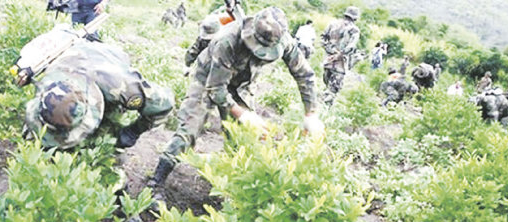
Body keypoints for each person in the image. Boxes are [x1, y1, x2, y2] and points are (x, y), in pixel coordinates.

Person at [148, 7, 323, 202]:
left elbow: (305, 75)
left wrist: (311, 114)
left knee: (241, 138)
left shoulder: (284, 40)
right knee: (189, 128)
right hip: (208, 78)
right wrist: (244, 115)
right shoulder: (228, 40)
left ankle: (230, 189)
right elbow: (216, 90)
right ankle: (156, 183)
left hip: (241, 85)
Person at [21, 26, 174, 149]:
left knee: (108, 137)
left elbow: (165, 104)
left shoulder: (123, 87)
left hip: (108, 59)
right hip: (76, 56)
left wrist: (134, 131)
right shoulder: (50, 81)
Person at [321, 6, 360, 105]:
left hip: (328, 61)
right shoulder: (354, 30)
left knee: (327, 84)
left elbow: (323, 38)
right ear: (355, 18)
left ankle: (321, 105)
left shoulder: (332, 24)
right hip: (340, 64)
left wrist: (331, 50)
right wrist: (340, 54)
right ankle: (325, 112)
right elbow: (351, 47)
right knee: (333, 91)